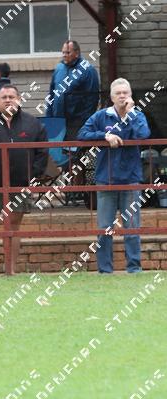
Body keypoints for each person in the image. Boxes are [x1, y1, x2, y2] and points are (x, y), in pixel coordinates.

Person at [0, 85, 48, 275]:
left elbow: (42, 151)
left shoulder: (32, 123)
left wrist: (32, 175)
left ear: (19, 99)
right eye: (3, 97)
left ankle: (10, 270)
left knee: (13, 226)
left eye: (12, 96)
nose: (8, 100)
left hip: (20, 184)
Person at [78, 78, 150, 274]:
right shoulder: (101, 116)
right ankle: (105, 270)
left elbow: (143, 134)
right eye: (118, 93)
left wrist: (132, 113)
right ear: (111, 97)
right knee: (104, 229)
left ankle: (134, 268)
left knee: (132, 228)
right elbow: (82, 133)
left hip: (131, 179)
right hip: (106, 179)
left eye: (125, 93)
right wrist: (104, 136)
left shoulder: (138, 115)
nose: (122, 96)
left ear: (131, 95)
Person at [45, 40, 100, 140]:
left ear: (77, 53)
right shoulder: (59, 68)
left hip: (77, 123)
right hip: (58, 121)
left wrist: (84, 122)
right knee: (57, 149)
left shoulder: (88, 70)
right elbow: (52, 94)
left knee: (74, 148)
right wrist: (49, 117)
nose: (64, 55)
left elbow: (92, 99)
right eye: (63, 52)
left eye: (68, 52)